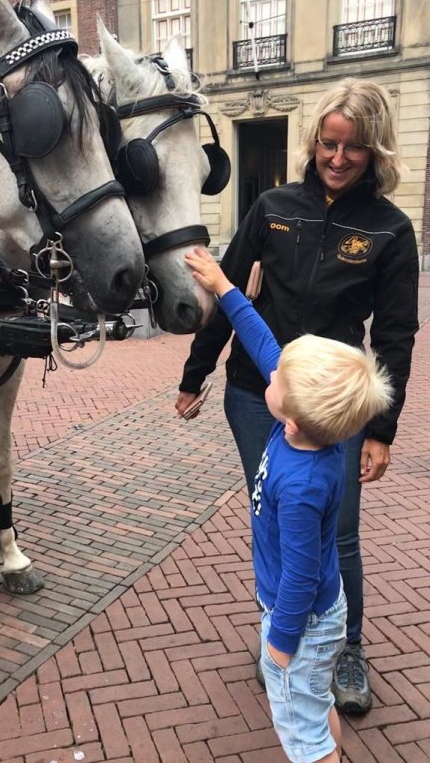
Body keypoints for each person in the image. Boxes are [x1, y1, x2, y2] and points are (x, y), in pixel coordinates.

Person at [175, 78, 419, 714]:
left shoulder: (391, 229)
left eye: (354, 148)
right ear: (314, 142)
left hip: (334, 407)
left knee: (336, 532)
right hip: (257, 394)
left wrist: (380, 429)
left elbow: (395, 337)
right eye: (328, 145)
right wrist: (195, 372)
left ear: (375, 151)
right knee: (276, 521)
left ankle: (346, 649)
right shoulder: (274, 206)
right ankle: (282, 638)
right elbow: (228, 291)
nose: (337, 160)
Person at [184, 246, 393, 763]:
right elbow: (261, 342)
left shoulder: (301, 485)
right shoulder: (308, 430)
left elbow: (300, 574)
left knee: (302, 735)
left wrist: (279, 643)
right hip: (320, 613)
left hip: (301, 618)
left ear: (291, 419)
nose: (270, 374)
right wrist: (224, 287)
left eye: (276, 380)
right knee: (316, 706)